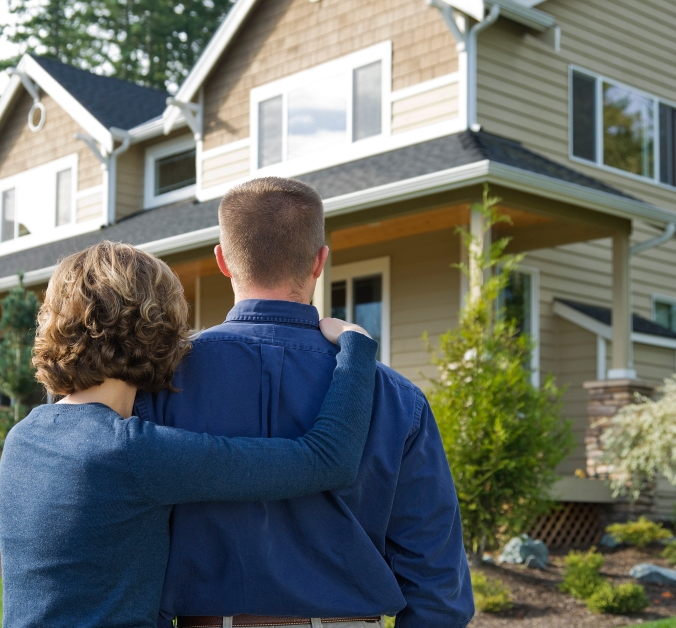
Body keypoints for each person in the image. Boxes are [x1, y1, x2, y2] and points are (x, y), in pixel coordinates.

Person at [135, 177, 474, 628]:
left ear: (222, 260)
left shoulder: (159, 383)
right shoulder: (394, 397)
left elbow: (128, 557)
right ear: (319, 261)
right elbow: (436, 586)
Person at [0, 241, 379, 628]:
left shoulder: (22, 439)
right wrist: (357, 347)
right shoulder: (131, 453)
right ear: (159, 333)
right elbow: (327, 460)